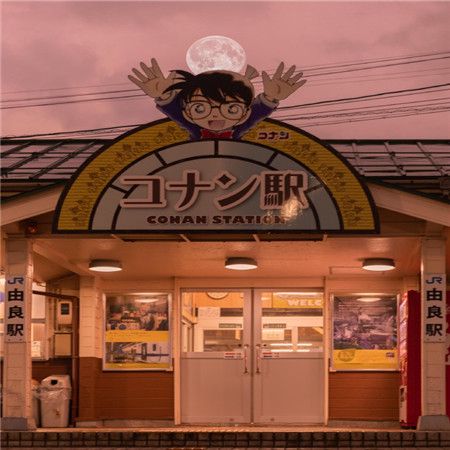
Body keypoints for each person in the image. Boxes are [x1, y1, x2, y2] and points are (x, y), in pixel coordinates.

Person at [129, 58, 306, 140]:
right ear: (188, 112)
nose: (215, 114)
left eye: (231, 109)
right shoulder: (196, 129)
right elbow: (177, 114)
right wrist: (164, 95)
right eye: (200, 108)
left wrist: (270, 98)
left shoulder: (237, 129)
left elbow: (256, 115)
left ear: (244, 113)